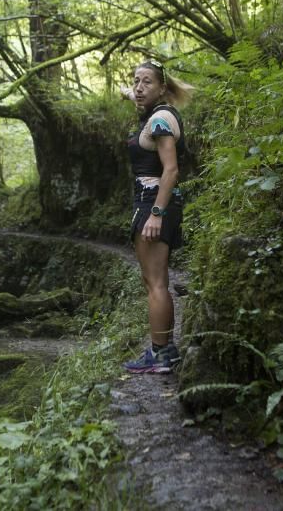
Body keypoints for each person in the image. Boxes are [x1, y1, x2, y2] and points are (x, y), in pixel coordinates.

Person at [120, 58, 193, 374]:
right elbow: (134, 92)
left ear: (163, 87)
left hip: (154, 204)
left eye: (146, 81)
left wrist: (155, 215)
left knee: (156, 283)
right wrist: (130, 91)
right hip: (153, 204)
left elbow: (171, 169)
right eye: (136, 80)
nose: (138, 87)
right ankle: (165, 350)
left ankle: (160, 354)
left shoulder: (161, 119)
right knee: (156, 280)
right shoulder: (156, 113)